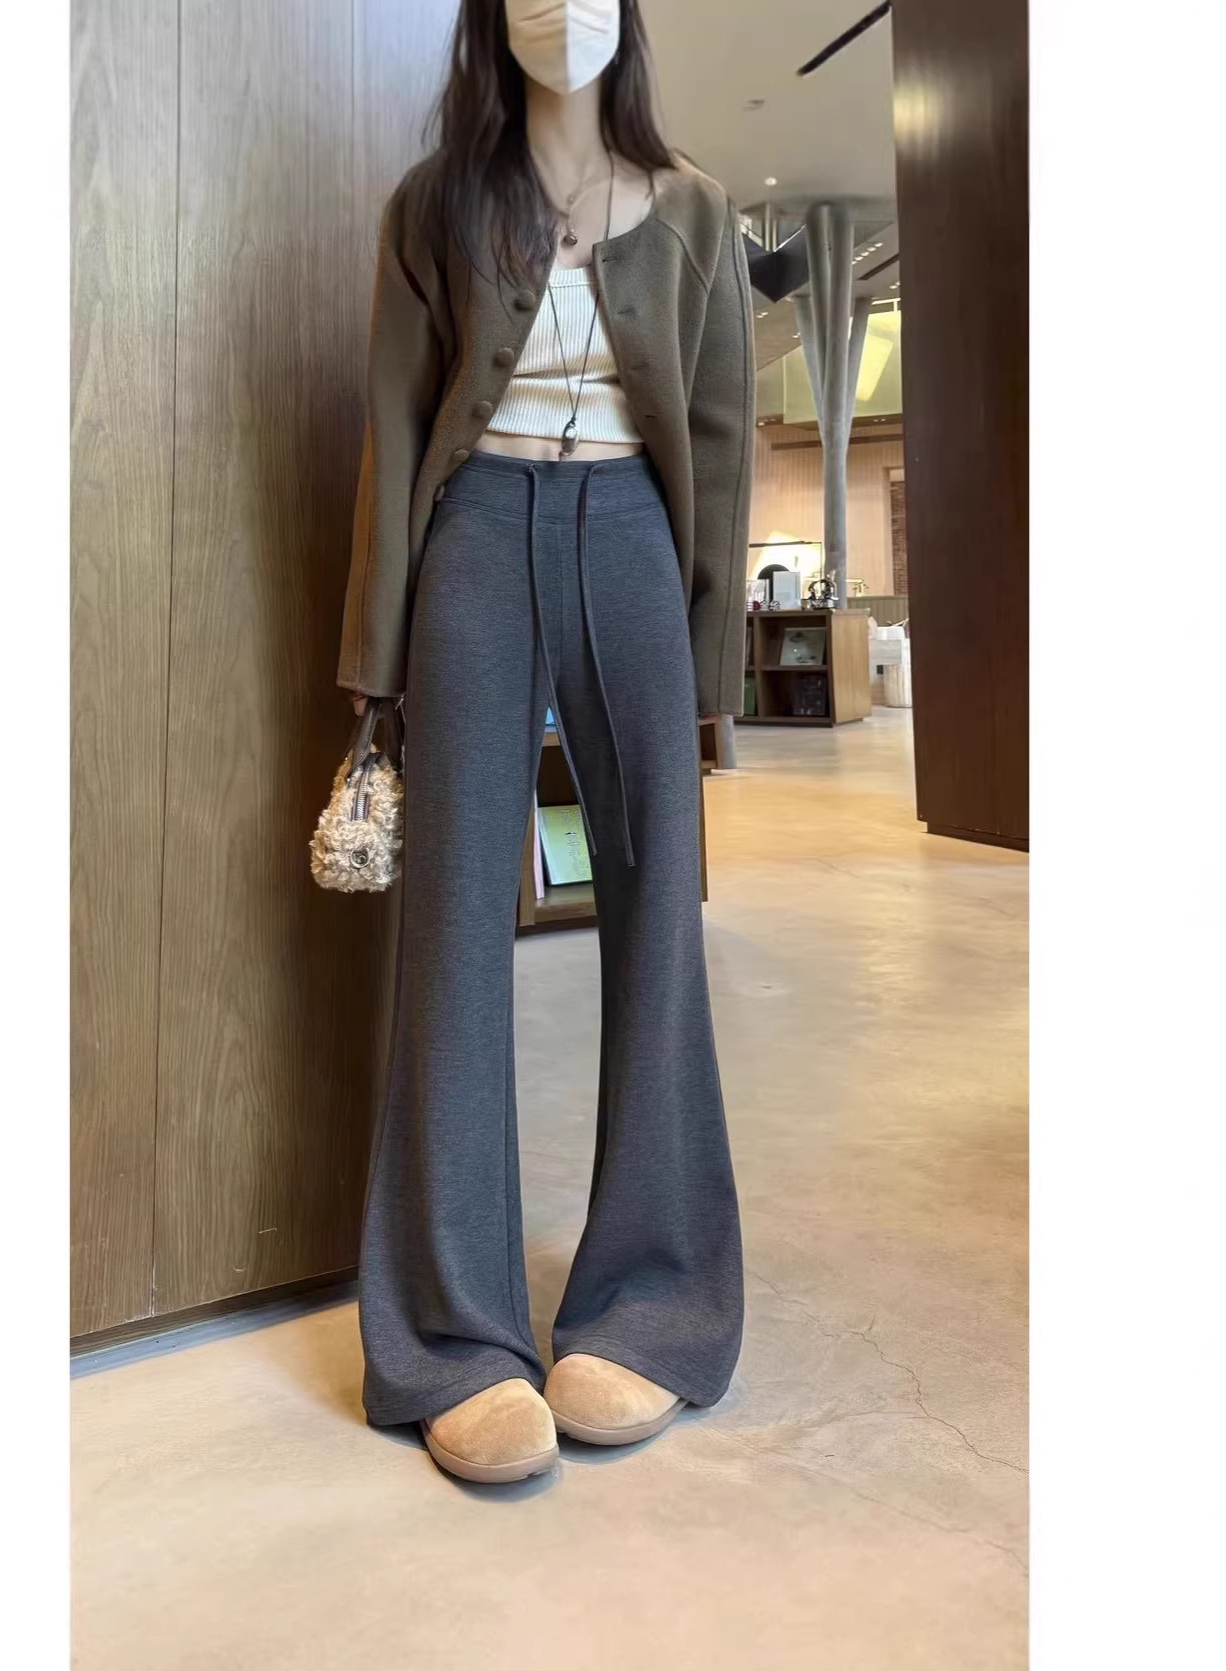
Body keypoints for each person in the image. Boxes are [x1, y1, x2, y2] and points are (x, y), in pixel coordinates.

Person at [337, 0, 752, 1485]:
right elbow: (395, 428)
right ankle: (449, 1337)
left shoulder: (693, 208)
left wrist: (712, 675)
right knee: (455, 924)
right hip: (475, 534)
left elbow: (719, 438)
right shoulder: (433, 204)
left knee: (658, 916)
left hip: (634, 536)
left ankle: (653, 1303)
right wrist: (374, 674)